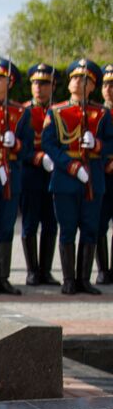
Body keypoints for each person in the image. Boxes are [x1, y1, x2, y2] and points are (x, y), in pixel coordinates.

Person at [42, 58, 111, 295]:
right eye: (74, 78)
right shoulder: (57, 111)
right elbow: (48, 143)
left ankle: (84, 279)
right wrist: (71, 166)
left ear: (92, 86)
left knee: (90, 228)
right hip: (65, 179)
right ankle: (69, 279)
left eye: (84, 79)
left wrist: (98, 144)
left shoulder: (101, 114)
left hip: (93, 179)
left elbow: (111, 143)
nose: (77, 82)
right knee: (68, 228)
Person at [0, 59, 29, 296]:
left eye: (0, 77)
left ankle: (3, 278)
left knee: (7, 227)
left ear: (9, 82)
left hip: (12, 178)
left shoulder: (21, 112)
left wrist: (17, 143)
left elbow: (30, 148)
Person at [18, 63, 60, 286]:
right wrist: (37, 158)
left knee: (51, 223)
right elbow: (22, 147)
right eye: (35, 82)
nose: (38, 88)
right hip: (31, 173)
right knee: (30, 222)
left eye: (44, 83)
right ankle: (32, 270)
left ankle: (46, 270)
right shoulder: (24, 111)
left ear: (53, 86)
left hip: (53, 174)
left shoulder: (58, 111)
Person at [98, 64, 113, 285]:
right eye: (106, 84)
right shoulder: (96, 112)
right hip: (101, 175)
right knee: (99, 224)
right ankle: (102, 270)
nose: (109, 88)